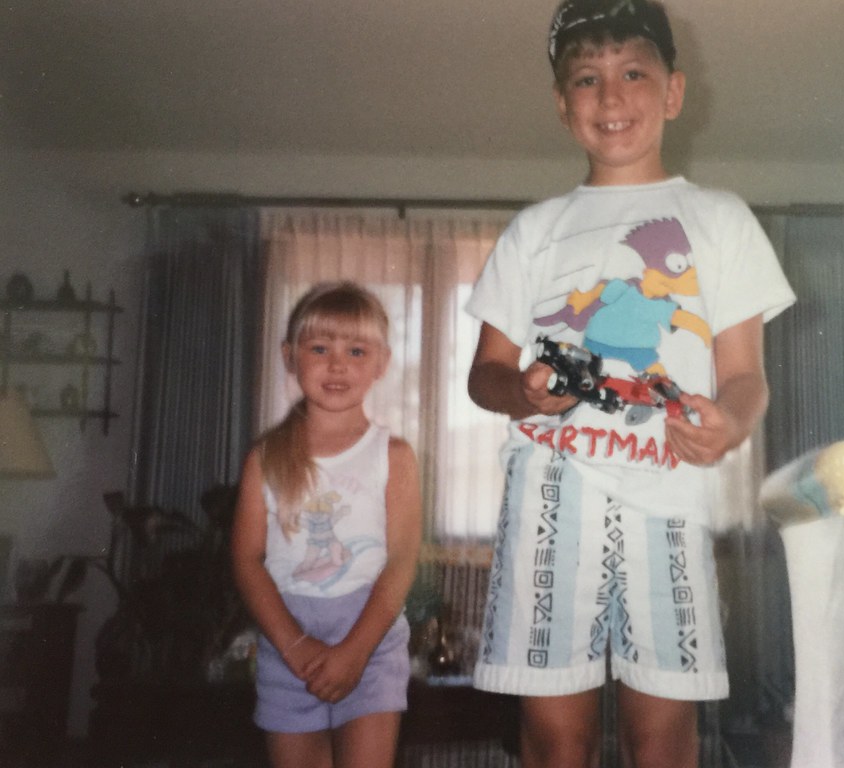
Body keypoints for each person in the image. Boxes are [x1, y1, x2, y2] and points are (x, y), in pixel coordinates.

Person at [465, 1, 796, 766]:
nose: (611, 96)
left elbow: (745, 378)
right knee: (557, 740)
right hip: (552, 494)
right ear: (562, 103)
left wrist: (731, 422)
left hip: (668, 500)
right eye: (587, 78)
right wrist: (525, 392)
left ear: (673, 92)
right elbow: (485, 376)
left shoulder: (721, 219)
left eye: (633, 73)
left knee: (663, 738)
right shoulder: (534, 230)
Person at [232, 282, 421, 768]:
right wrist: (294, 646)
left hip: (370, 637)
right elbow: (247, 560)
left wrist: (356, 651)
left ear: (381, 363)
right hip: (286, 637)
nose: (337, 365)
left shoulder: (395, 456)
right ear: (289, 357)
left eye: (356, 351)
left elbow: (401, 562)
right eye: (320, 349)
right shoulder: (264, 458)